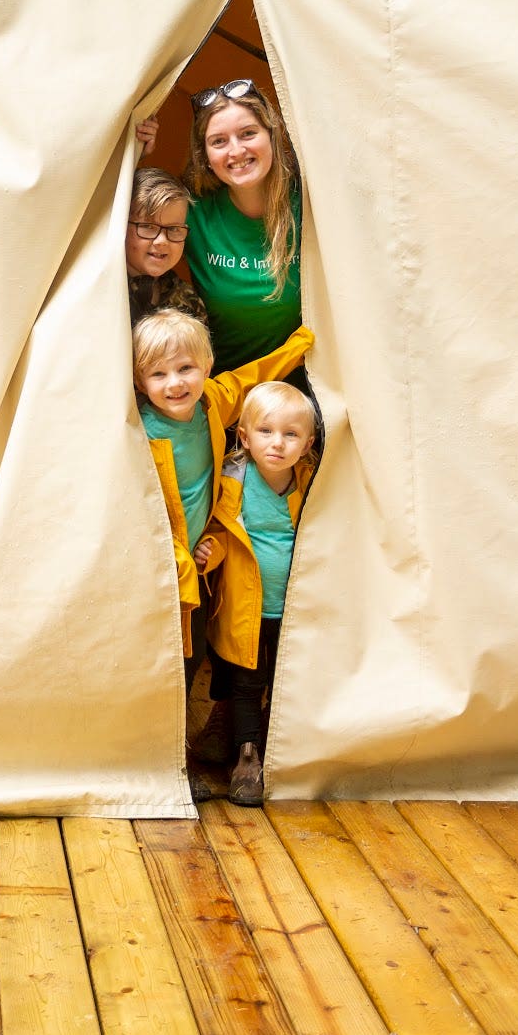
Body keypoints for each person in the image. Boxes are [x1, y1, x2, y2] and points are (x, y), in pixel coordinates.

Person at [132, 308, 313, 800]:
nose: (175, 383)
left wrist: (305, 341)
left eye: (186, 368)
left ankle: (191, 755)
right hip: (161, 567)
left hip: (199, 566)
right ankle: (167, 763)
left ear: (207, 365)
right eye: (158, 373)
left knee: (193, 663)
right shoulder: (138, 431)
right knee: (166, 667)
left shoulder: (212, 404)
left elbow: (253, 376)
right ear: (139, 380)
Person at [200, 380, 318, 806]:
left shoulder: (311, 483)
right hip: (245, 606)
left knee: (283, 678)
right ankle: (246, 759)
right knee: (247, 681)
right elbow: (218, 534)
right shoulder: (233, 481)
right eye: (266, 432)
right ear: (245, 438)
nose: (278, 444)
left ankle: (270, 742)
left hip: (295, 607)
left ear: (307, 444)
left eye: (291, 434)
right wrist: (206, 558)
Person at [183, 79, 302, 372]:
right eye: (219, 141)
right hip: (220, 391)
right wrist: (137, 148)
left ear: (271, 136)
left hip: (303, 394)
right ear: (206, 156)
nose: (235, 151)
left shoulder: (312, 205)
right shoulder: (190, 212)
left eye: (248, 134)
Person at [126, 167, 208, 329]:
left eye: (174, 229)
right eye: (148, 226)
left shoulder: (188, 302)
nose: (162, 241)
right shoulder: (104, 289)